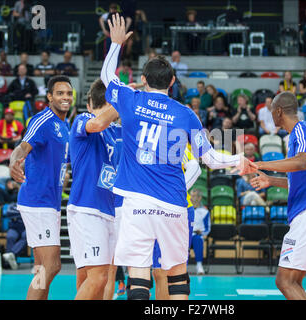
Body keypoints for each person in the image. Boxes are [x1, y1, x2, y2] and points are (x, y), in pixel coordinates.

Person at [97, 13, 256, 300]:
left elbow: (107, 76)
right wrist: (239, 159)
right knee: (177, 275)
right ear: (172, 81)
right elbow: (209, 159)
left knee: (139, 276)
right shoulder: (187, 114)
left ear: (143, 80)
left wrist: (116, 43)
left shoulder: (131, 99)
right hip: (173, 204)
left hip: (136, 203)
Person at [249, 91, 306, 300]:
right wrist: (271, 180)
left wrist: (260, 164)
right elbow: (300, 179)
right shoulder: (300, 135)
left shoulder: (301, 131)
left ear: (279, 111)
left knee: (283, 281)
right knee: (293, 281)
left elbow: (302, 161)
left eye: (271, 112)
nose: (271, 117)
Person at [9, 75, 72, 300]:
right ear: (49, 97)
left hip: (50, 203)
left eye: (68, 93)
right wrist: (13, 161)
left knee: (41, 267)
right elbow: (23, 146)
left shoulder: (65, 125)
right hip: (37, 201)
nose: (65, 97)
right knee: (52, 265)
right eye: (60, 93)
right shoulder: (43, 119)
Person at [67, 78, 122, 300]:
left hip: (109, 211)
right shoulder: (84, 119)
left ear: (91, 102)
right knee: (99, 277)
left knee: (95, 278)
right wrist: (121, 102)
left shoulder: (118, 131)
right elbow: (98, 123)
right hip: (87, 208)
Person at [152, 143, 201, 300]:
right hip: (155, 210)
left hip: (178, 209)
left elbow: (195, 168)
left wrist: (174, 193)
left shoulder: (173, 142)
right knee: (159, 272)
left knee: (170, 271)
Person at [189, 188, 210, 275]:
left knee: (198, 239)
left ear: (199, 198)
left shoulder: (204, 211)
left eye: (193, 196)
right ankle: (183, 267)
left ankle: (199, 265)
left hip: (197, 235)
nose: (190, 198)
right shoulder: (185, 210)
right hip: (186, 235)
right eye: (190, 195)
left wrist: (202, 232)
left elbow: (208, 228)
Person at [2, 204, 26, 270]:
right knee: (10, 237)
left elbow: (31, 214)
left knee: (26, 237)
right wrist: (22, 213)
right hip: (14, 228)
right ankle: (8, 262)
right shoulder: (12, 205)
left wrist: (16, 215)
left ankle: (11, 255)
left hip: (26, 227)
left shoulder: (28, 204)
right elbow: (8, 213)